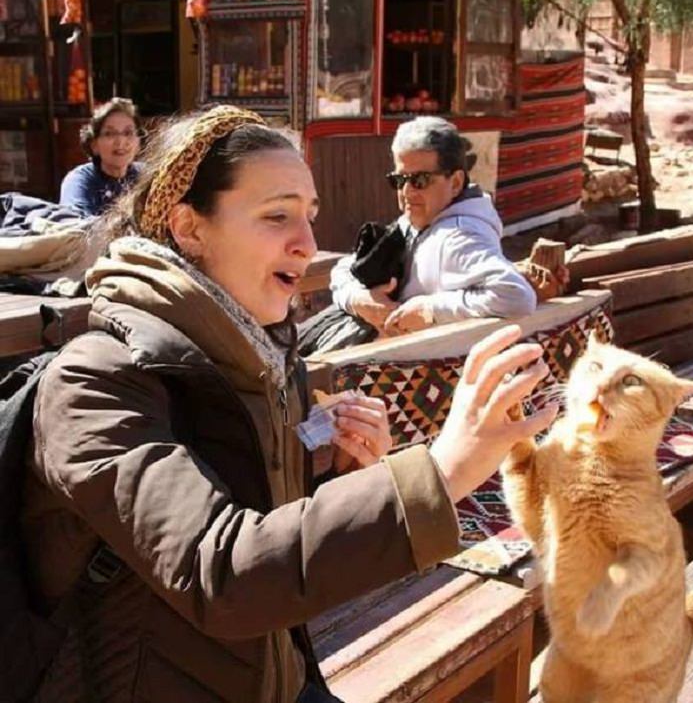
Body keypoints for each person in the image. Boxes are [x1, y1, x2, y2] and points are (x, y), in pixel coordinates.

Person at [22, 105, 557, 702]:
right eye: (277, 216)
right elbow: (219, 572)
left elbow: (267, 519)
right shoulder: (96, 381)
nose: (307, 245)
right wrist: (442, 469)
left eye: (310, 215)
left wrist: (338, 473)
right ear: (189, 228)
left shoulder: (266, 356)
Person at [330, 116, 537, 337]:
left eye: (420, 180)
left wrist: (430, 309)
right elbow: (343, 270)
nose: (407, 191)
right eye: (399, 180)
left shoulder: (458, 236)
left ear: (456, 183)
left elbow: (517, 296)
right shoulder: (417, 222)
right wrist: (359, 299)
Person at [59, 97, 143, 217]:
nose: (120, 142)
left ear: (138, 143)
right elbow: (76, 225)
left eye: (128, 133)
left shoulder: (147, 176)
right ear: (94, 145)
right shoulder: (79, 181)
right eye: (110, 134)